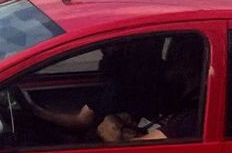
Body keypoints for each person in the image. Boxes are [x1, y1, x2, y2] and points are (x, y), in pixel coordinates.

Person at [22, 35, 202, 143]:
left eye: (178, 58)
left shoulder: (195, 112)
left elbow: (146, 146)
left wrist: (112, 135)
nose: (104, 52)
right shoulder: (161, 87)